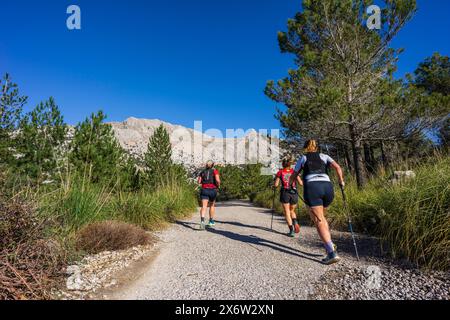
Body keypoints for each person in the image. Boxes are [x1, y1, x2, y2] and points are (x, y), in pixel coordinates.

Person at [290, 140, 345, 265]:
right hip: (327, 187)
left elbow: (294, 175)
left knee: (318, 220)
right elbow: (337, 167)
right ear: (316, 147)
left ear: (305, 147)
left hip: (313, 187)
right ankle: (330, 243)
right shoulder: (324, 156)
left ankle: (331, 252)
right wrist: (341, 181)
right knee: (322, 218)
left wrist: (289, 185)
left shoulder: (303, 158)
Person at [274, 156, 303, 237]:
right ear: (290, 164)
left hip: (285, 192)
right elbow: (301, 183)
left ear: (283, 164)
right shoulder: (294, 171)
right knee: (292, 211)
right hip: (294, 192)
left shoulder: (280, 172)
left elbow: (276, 185)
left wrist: (275, 184)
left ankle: (291, 231)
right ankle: (295, 222)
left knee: (287, 212)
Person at [197, 160, 221, 230]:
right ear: (213, 165)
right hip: (212, 190)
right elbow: (217, 180)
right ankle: (211, 221)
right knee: (212, 205)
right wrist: (218, 186)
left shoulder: (202, 172)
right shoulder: (215, 171)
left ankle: (202, 222)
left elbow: (198, 181)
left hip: (204, 190)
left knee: (204, 206)